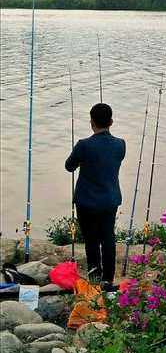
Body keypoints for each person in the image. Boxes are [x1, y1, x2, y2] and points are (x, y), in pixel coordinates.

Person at [65, 103, 126, 290]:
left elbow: (69, 166)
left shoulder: (84, 145)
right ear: (111, 122)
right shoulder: (120, 145)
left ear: (91, 122)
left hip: (87, 201)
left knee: (91, 239)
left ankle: (94, 277)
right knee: (108, 237)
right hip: (110, 200)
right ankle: (108, 279)